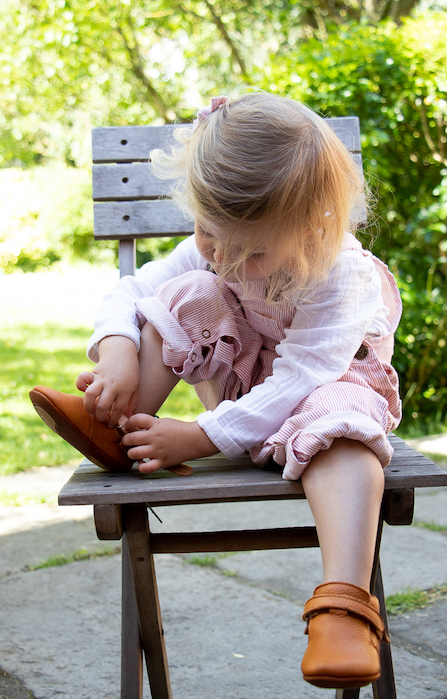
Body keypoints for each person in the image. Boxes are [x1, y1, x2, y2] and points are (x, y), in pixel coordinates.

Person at [30, 93, 401, 689]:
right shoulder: (222, 244)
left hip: (323, 393)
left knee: (346, 432)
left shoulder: (343, 273)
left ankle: (344, 606)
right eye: (208, 233)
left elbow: (303, 379)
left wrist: (200, 436)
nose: (224, 258)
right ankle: (115, 418)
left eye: (251, 251)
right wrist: (119, 350)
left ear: (313, 230)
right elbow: (130, 291)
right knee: (185, 295)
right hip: (243, 394)